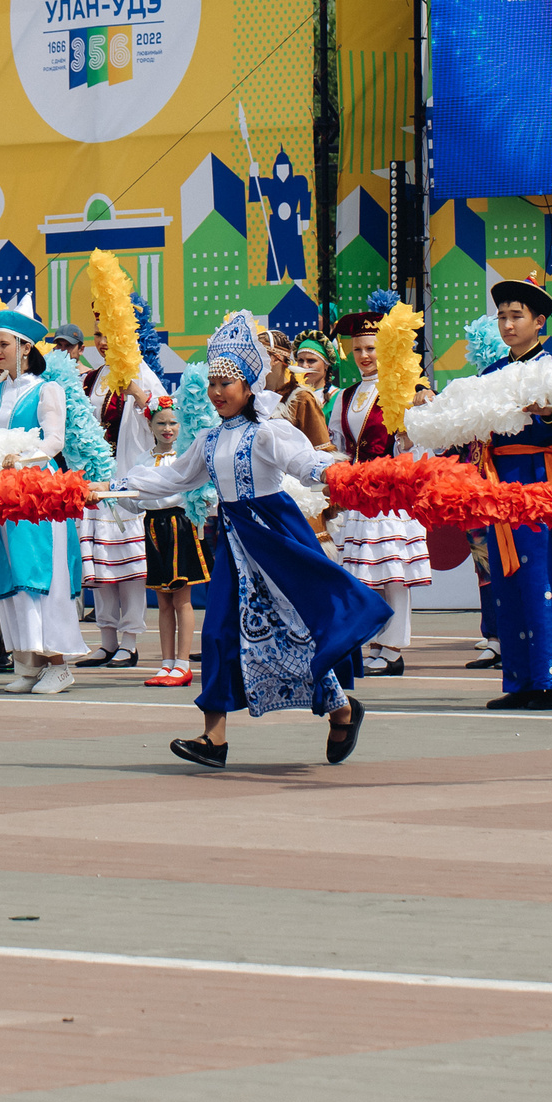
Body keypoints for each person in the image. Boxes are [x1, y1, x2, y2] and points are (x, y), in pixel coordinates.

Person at [116, 312, 381, 767]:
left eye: (226, 383)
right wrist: (112, 489)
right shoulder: (209, 439)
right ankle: (213, 739)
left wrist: (344, 475)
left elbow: (306, 464)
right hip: (234, 541)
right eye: (212, 384)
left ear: (249, 385)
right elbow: (174, 478)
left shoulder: (269, 431)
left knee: (301, 630)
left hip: (276, 538)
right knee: (218, 631)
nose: (216, 392)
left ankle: (342, 710)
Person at [458, 276, 552, 710]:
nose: (507, 325)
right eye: (502, 316)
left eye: (516, 316)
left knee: (549, 577)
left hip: (545, 481)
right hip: (502, 483)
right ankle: (522, 681)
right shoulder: (490, 374)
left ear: (539, 322)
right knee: (509, 580)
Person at [0, 304, 87, 691]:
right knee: (9, 573)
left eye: (4, 344)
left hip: (36, 495)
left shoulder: (47, 389)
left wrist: (23, 457)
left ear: (25, 348)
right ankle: (29, 664)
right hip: (0, 494)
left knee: (39, 572)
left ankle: (58, 663)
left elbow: (54, 440)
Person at [325, 296, 431, 676]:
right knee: (366, 574)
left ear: (384, 348)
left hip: (391, 493)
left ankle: (394, 647)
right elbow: (339, 446)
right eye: (357, 349)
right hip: (360, 494)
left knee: (393, 572)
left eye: (370, 348)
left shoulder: (402, 388)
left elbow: (418, 447)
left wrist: (408, 434)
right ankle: (374, 643)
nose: (364, 356)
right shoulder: (346, 396)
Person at [78, 306, 162, 669]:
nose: (102, 342)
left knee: (128, 567)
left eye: (110, 334)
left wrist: (138, 394)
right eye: (98, 334)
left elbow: (166, 419)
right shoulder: (91, 378)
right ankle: (106, 640)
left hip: (126, 483)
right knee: (101, 565)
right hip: (95, 484)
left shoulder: (140, 372)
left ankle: (130, 642)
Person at [138, 399, 207, 687]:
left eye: (173, 422)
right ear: (150, 426)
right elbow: (134, 497)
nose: (167, 428)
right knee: (163, 600)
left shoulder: (187, 456)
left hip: (180, 524)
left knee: (181, 598)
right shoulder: (142, 460)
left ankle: (183, 663)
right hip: (153, 525)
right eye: (161, 423)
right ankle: (166, 664)